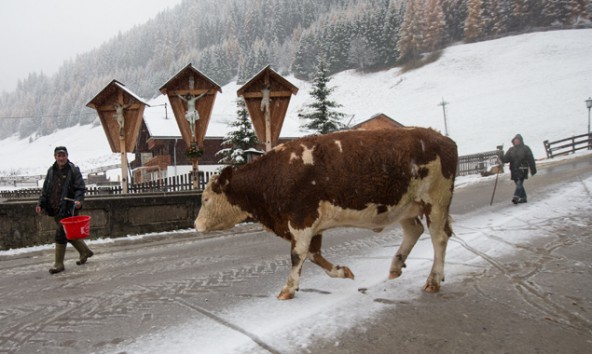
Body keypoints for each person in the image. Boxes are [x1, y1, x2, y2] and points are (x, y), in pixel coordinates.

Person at [35, 146, 94, 274]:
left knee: (61, 234)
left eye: (63, 155)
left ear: (67, 156)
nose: (61, 158)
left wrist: (78, 201)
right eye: (59, 156)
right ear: (55, 157)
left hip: (68, 208)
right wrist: (41, 203)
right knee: (69, 233)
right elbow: (45, 190)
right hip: (55, 208)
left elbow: (80, 188)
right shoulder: (51, 171)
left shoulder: (73, 170)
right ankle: (85, 251)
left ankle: (59, 264)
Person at [500, 134, 537, 204]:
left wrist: (533, 169)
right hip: (514, 169)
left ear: (520, 141)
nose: (516, 142)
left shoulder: (526, 148)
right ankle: (523, 198)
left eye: (517, 140)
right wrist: (501, 156)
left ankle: (516, 196)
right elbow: (506, 159)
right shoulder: (511, 150)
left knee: (519, 182)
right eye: (515, 140)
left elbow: (531, 159)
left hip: (522, 169)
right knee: (518, 183)